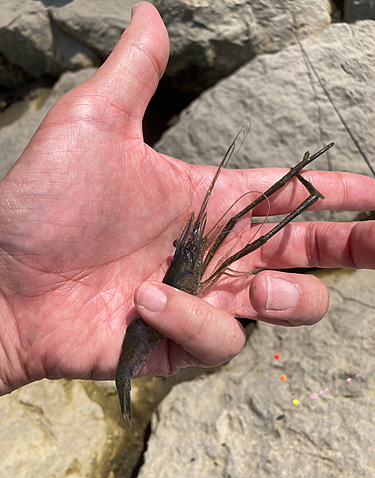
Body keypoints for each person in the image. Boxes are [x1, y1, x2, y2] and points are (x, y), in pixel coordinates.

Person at [0, 2, 374, 396]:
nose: (192, 241)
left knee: (230, 227)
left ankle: (305, 182)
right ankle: (306, 185)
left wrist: (11, 336)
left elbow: (200, 245)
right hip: (135, 325)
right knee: (239, 231)